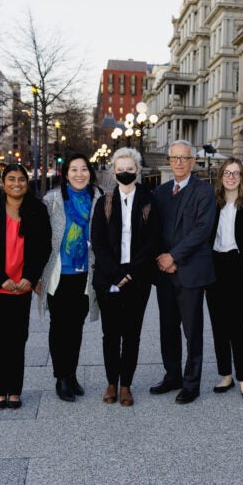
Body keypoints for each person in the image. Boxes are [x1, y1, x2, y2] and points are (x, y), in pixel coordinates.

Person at [0, 164, 51, 409]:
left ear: (27, 183)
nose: (17, 183)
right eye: (11, 179)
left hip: (22, 285)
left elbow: (43, 247)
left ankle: (14, 390)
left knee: (17, 337)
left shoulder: (37, 209)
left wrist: (30, 276)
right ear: (3, 183)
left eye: (21, 179)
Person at [92, 148, 159, 407]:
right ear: (113, 171)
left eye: (131, 168)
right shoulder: (104, 202)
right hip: (109, 278)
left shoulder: (149, 201)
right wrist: (116, 273)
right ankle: (111, 381)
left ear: (138, 171)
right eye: (120, 168)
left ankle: (126, 385)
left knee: (132, 335)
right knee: (110, 335)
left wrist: (130, 273)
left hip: (137, 279)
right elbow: (97, 242)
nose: (125, 172)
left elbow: (152, 242)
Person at [151, 139, 216, 404]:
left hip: (190, 271)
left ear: (192, 162)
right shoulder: (161, 192)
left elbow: (202, 230)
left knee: (192, 331)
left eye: (184, 158)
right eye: (174, 158)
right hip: (164, 272)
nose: (178, 162)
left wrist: (174, 256)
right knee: (168, 328)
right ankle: (172, 375)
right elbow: (153, 229)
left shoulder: (204, 191)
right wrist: (161, 258)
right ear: (169, 161)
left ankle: (191, 383)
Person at [38, 154, 100, 402]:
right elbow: (41, 238)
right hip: (58, 273)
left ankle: (72, 374)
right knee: (59, 325)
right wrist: (36, 275)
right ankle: (61, 377)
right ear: (65, 174)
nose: (79, 174)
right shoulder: (52, 199)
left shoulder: (98, 198)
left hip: (86, 273)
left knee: (76, 326)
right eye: (74, 169)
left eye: (84, 169)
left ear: (90, 172)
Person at [205, 158, 243, 401]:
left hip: (239, 266)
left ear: (242, 178)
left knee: (237, 328)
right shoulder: (212, 202)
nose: (231, 177)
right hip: (215, 267)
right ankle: (225, 375)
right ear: (221, 176)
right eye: (227, 173)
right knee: (219, 326)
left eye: (236, 173)